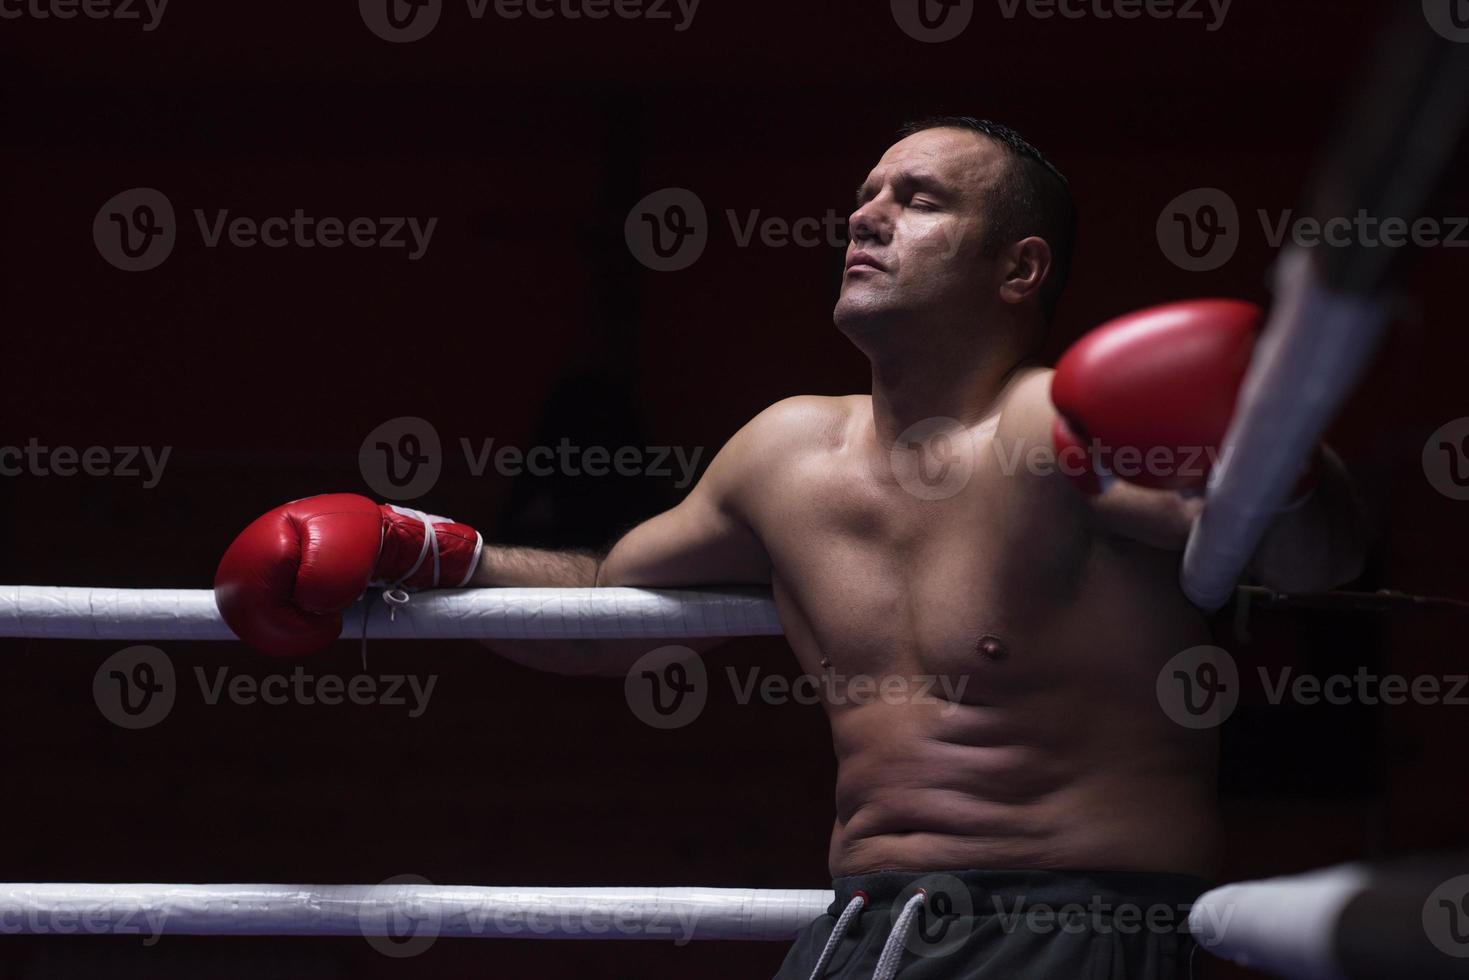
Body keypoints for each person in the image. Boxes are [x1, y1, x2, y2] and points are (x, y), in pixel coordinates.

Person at [214, 117, 1366, 978]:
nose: (866, 216)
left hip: (1075, 922)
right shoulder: (782, 453)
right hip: (866, 922)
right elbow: (608, 609)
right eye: (864, 194)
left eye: (918, 200)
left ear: (1017, 267)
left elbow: (1309, 561)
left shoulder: (1062, 423)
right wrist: (428, 553)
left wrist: (1285, 459)